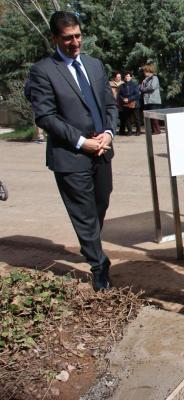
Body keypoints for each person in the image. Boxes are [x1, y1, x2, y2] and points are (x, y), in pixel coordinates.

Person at [28, 11, 117, 291]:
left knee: (101, 201)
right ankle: (99, 265)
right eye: (68, 38)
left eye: (78, 36)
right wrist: (81, 141)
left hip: (101, 150)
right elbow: (46, 116)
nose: (75, 42)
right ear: (55, 38)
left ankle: (89, 244)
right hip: (71, 155)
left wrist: (108, 133)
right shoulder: (43, 71)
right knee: (84, 212)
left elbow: (109, 106)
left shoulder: (94, 65)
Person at [140, 64, 162, 135]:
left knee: (154, 116)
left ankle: (157, 130)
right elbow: (141, 87)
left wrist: (143, 89)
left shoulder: (154, 78)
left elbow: (152, 87)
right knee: (149, 117)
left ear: (148, 71)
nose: (144, 72)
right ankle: (153, 130)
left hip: (154, 100)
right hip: (147, 101)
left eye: (144, 71)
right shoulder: (145, 80)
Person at [118, 71, 141, 136]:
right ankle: (129, 131)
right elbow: (120, 95)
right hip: (125, 104)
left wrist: (129, 99)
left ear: (131, 77)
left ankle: (138, 131)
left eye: (128, 76)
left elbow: (137, 95)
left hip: (135, 104)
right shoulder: (121, 86)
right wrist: (123, 99)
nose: (127, 77)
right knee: (127, 118)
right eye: (126, 76)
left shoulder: (135, 84)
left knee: (137, 118)